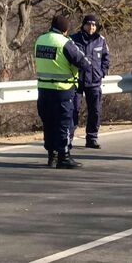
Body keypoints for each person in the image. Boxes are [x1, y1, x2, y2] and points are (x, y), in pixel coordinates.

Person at [35, 15, 91, 169]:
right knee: (65, 123)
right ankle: (64, 156)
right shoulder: (65, 43)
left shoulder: (40, 40)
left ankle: (51, 156)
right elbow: (84, 63)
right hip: (63, 89)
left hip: (44, 89)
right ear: (65, 29)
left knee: (49, 123)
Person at [71, 15, 110, 149]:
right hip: (77, 81)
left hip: (94, 81)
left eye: (94, 25)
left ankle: (92, 138)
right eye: (89, 24)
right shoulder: (73, 39)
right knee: (73, 110)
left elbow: (106, 58)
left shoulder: (101, 40)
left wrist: (102, 72)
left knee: (95, 111)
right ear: (83, 25)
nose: (91, 27)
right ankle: (68, 138)